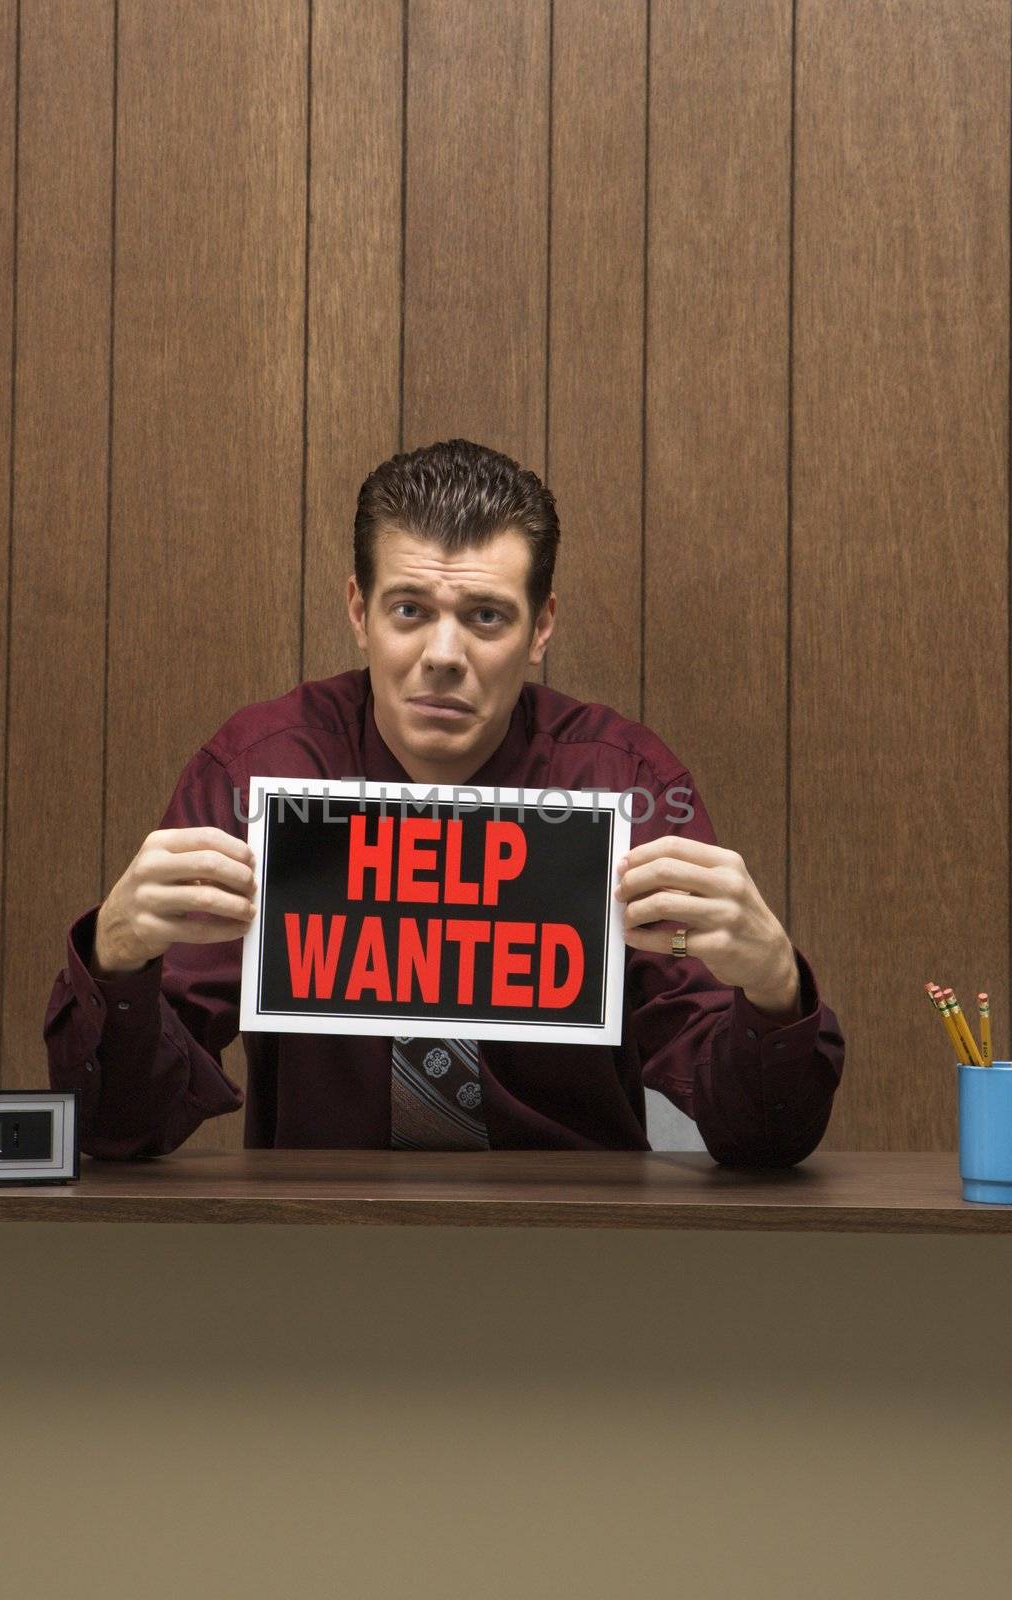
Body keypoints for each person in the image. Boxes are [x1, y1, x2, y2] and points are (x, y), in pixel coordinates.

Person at [44, 439, 845, 1161]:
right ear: (360, 612)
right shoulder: (261, 772)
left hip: (576, 1242)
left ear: (540, 629)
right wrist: (117, 958)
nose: (444, 656)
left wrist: (772, 991)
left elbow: (760, 1137)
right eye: (410, 611)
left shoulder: (621, 784)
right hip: (317, 1237)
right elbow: (123, 1126)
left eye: (486, 617)